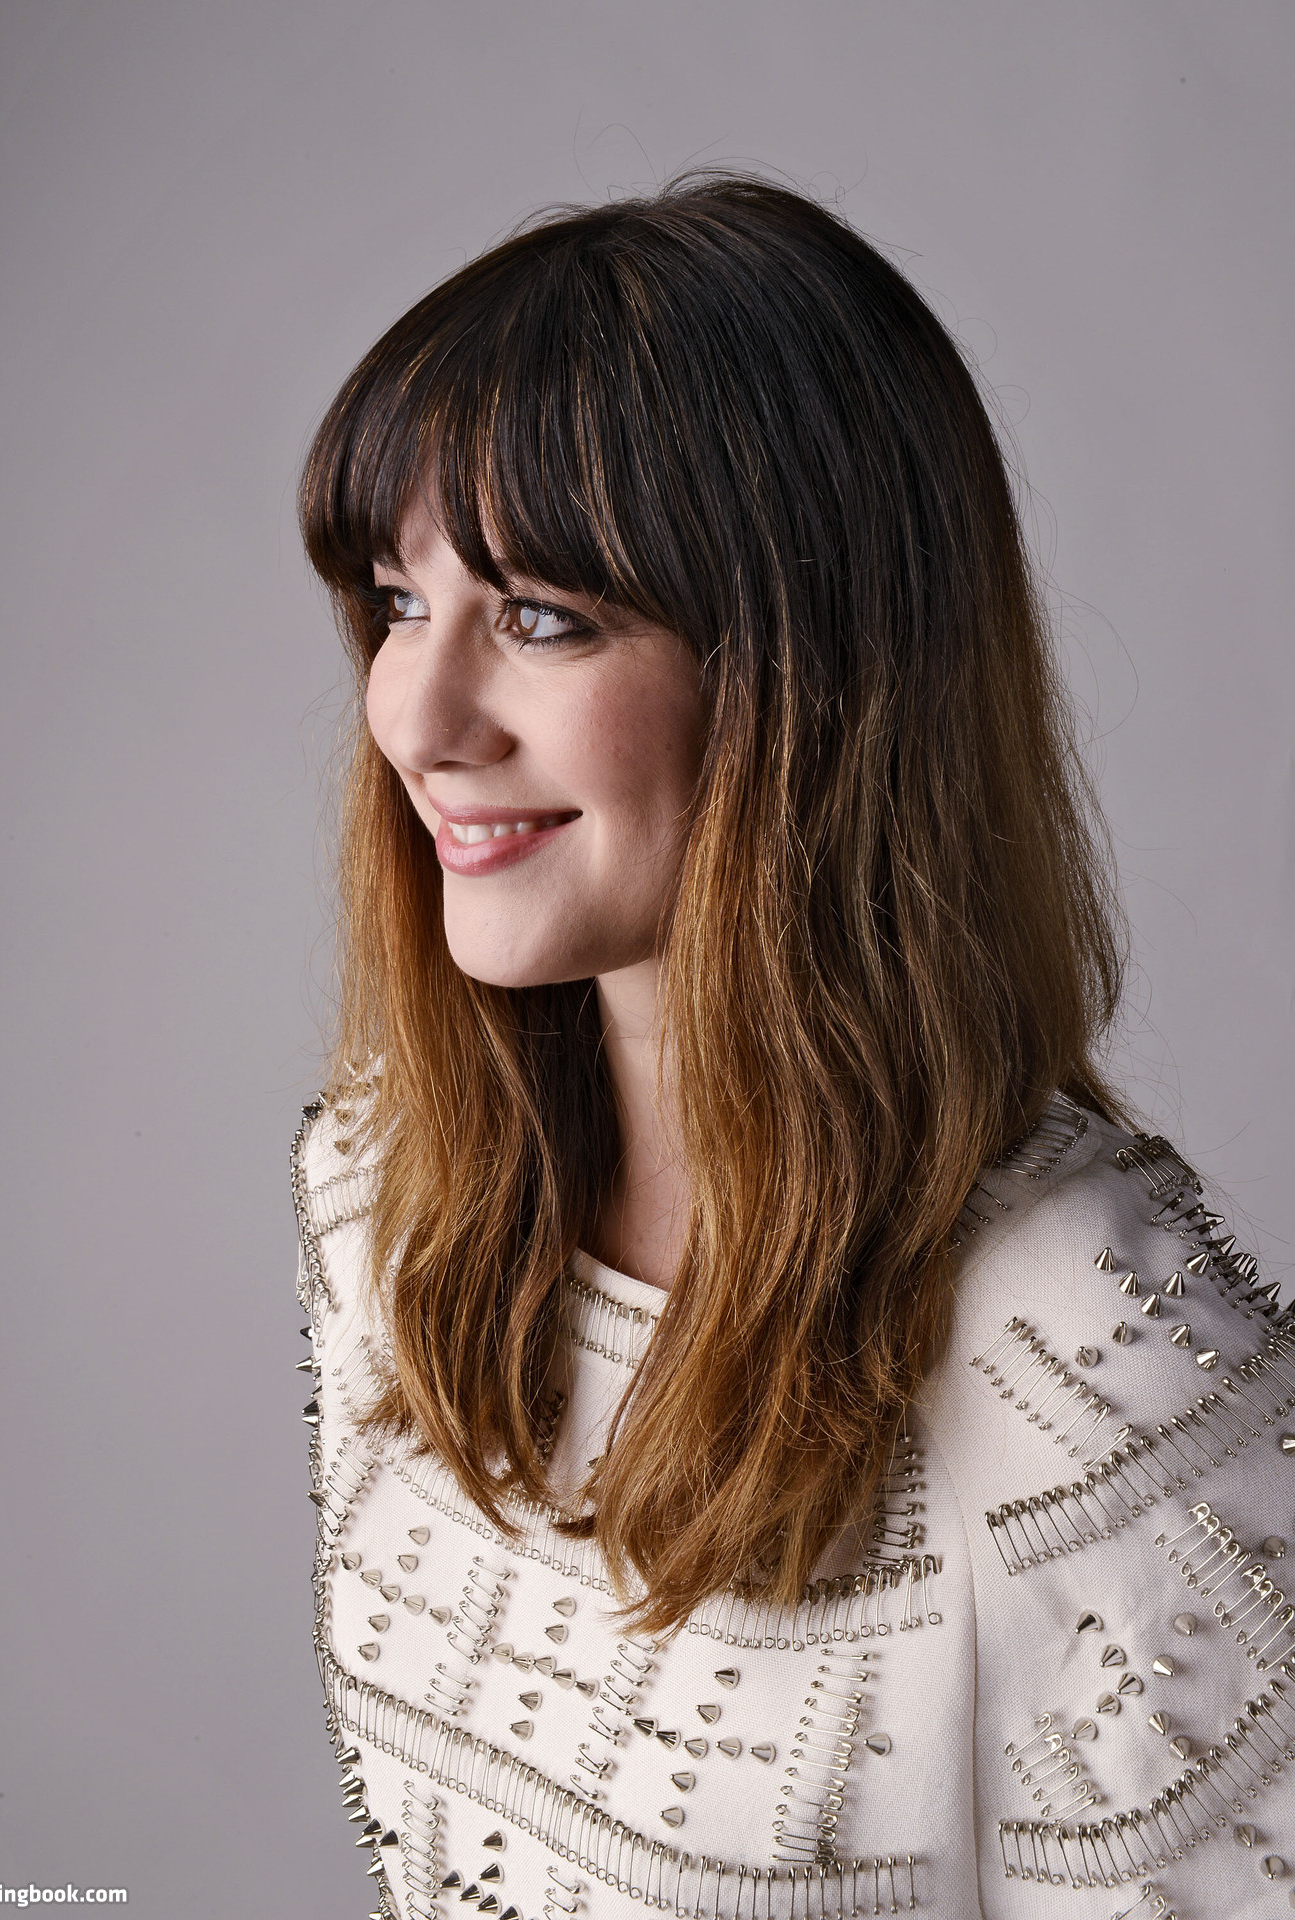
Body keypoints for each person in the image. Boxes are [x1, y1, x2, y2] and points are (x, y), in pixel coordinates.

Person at [293, 174, 1290, 1920]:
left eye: (542, 617)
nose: (417, 718)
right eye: (397, 600)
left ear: (808, 679)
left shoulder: (1079, 1353)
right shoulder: (380, 1190)